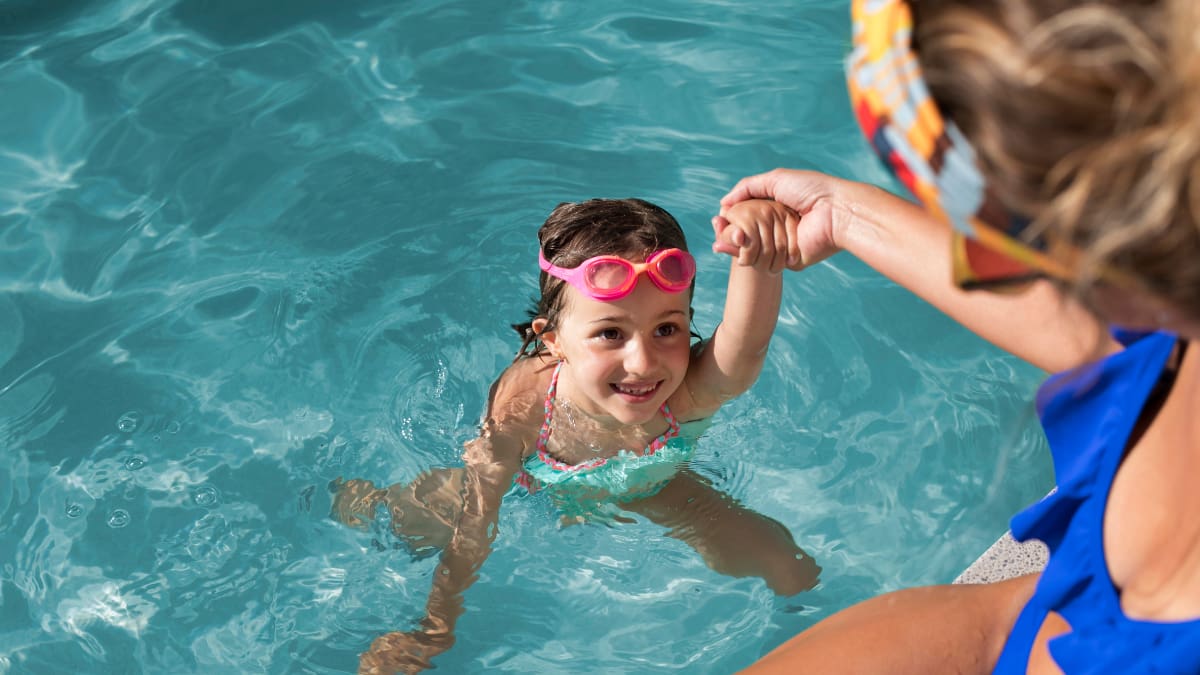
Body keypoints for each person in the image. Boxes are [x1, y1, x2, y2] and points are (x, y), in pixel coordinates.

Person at [718, 0, 1200, 672]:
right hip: (1035, 617)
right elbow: (1087, 326)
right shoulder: (1170, 331)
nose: (974, 271)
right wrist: (845, 214)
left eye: (982, 245)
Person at [332, 197, 821, 673]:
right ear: (552, 339)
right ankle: (371, 502)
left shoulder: (689, 390)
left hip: (654, 487)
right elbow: (476, 525)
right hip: (535, 484)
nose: (643, 363)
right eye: (611, 333)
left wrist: (757, 256)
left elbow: (748, 345)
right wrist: (435, 628)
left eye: (667, 329)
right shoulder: (525, 406)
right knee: (418, 519)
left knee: (786, 563)